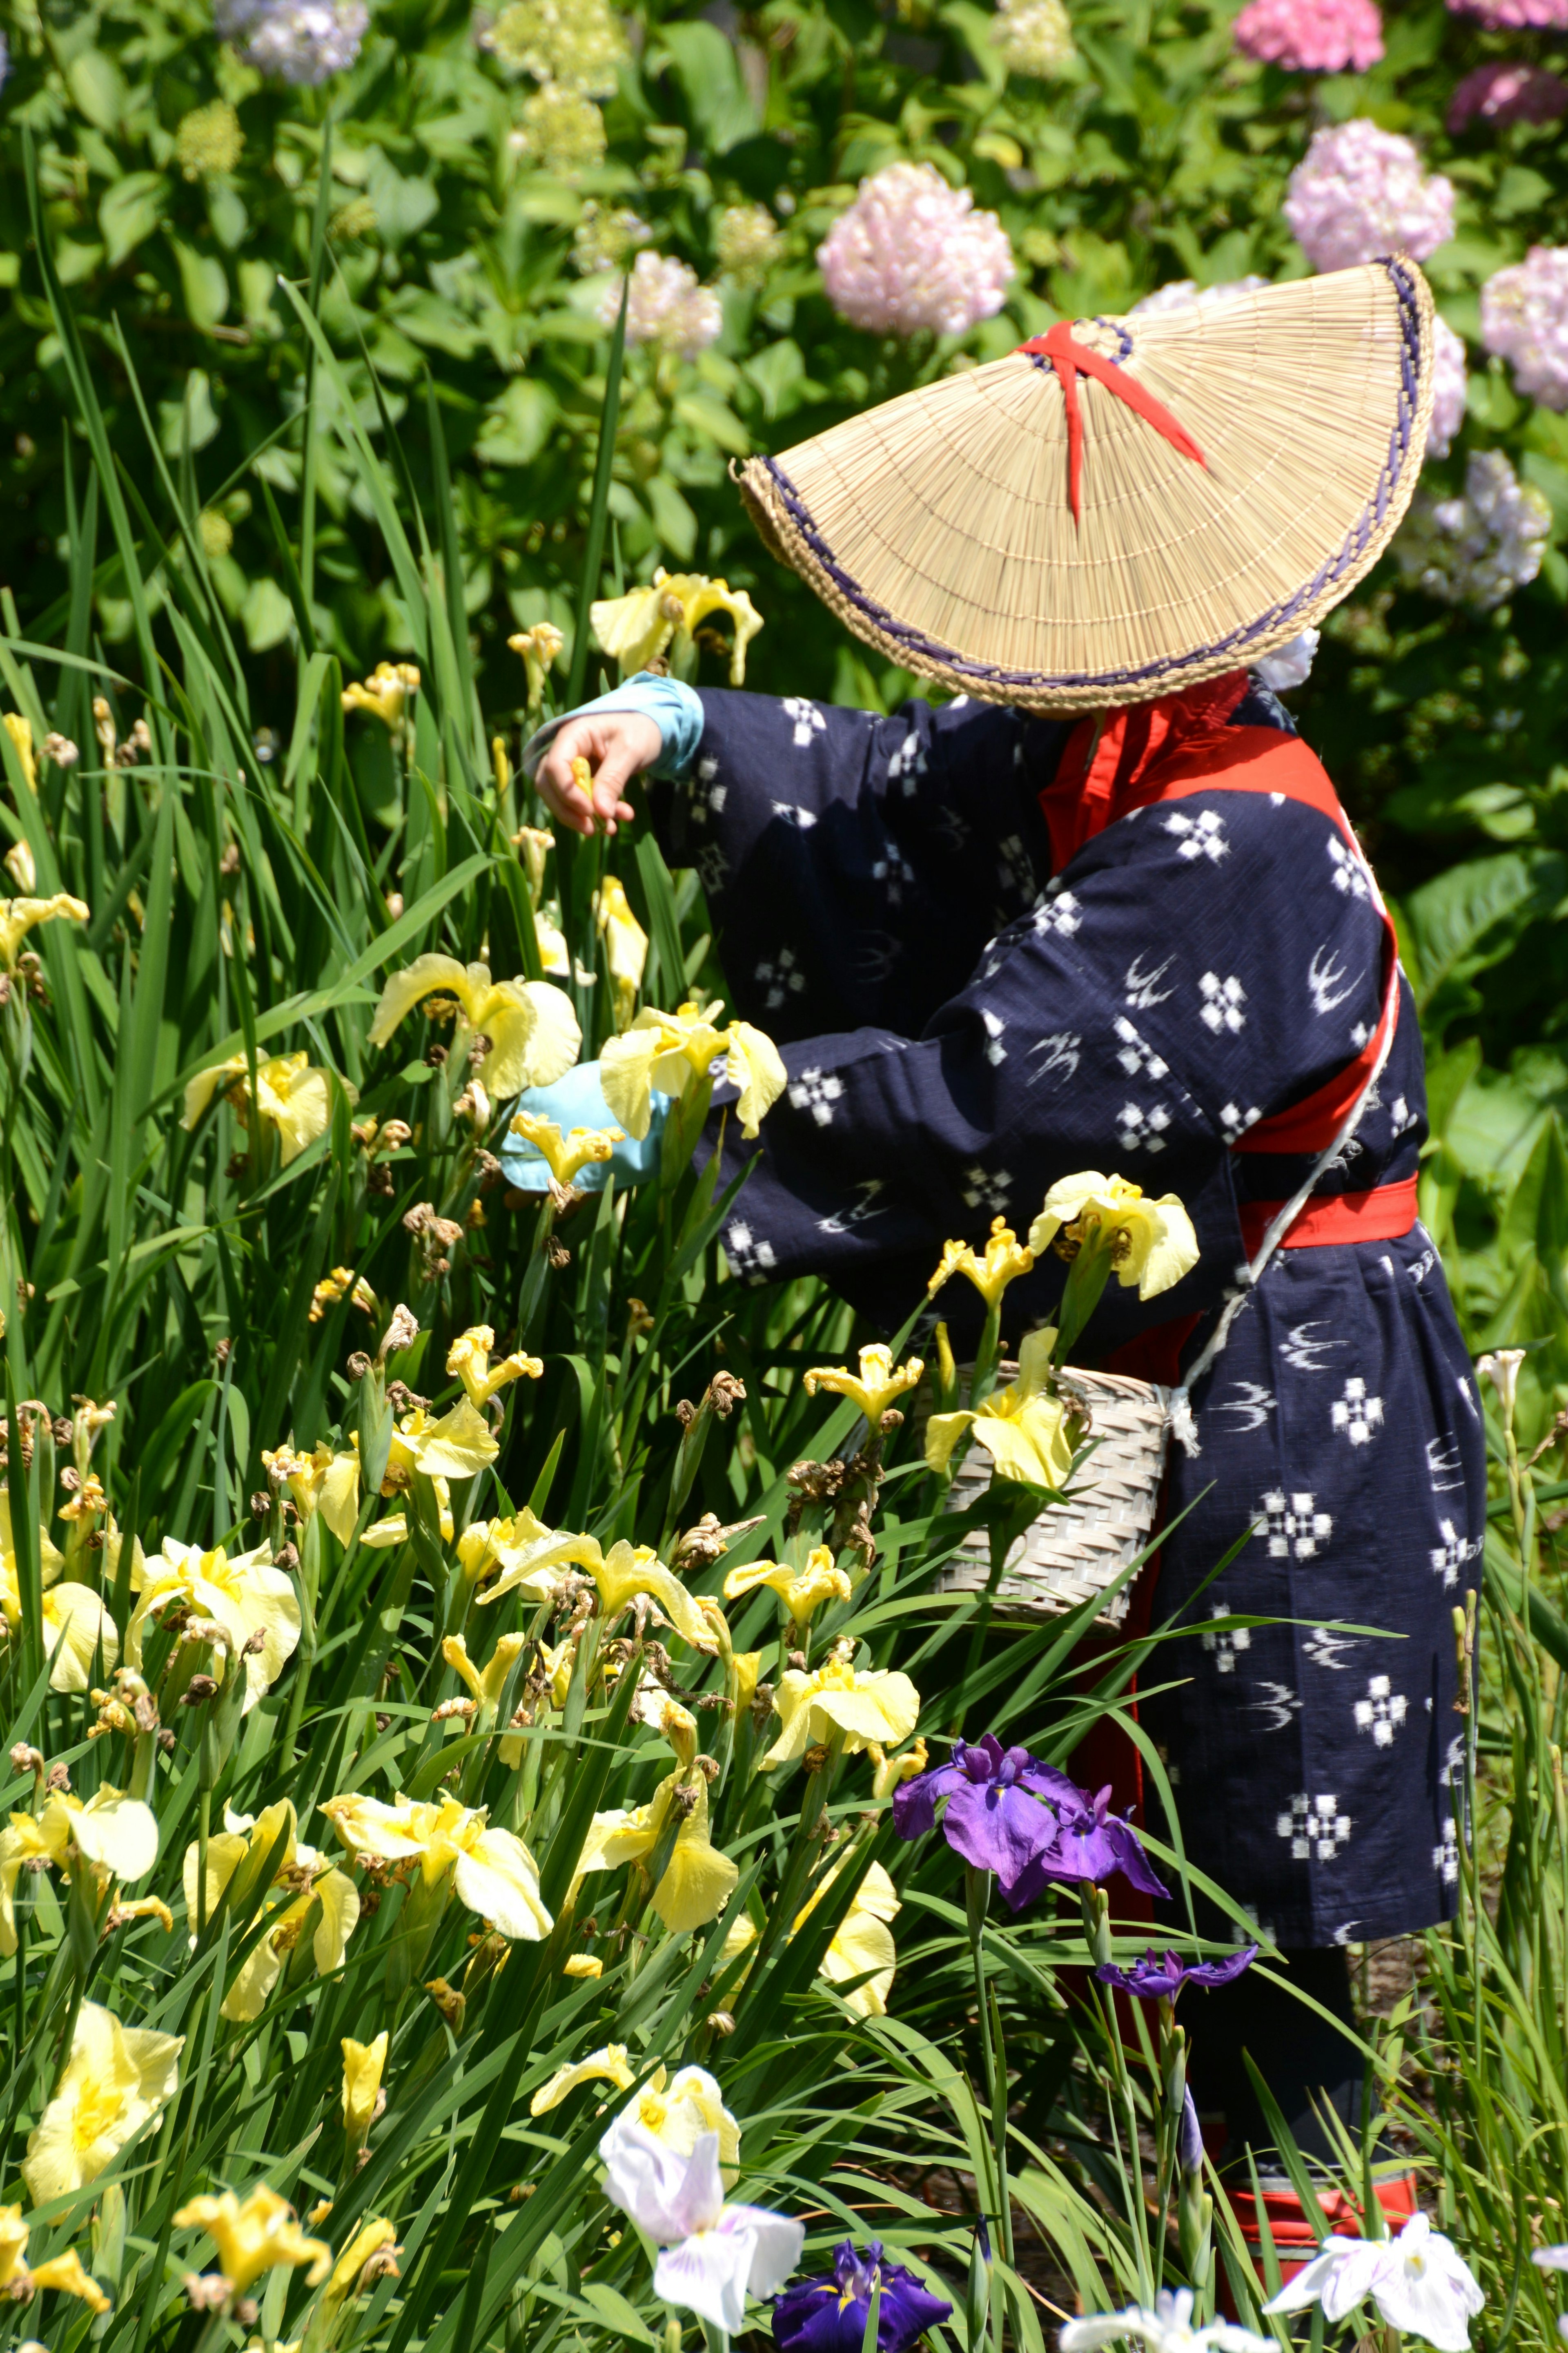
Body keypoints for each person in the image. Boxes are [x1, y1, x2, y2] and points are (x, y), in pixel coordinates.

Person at [523, 264, 1483, 2202]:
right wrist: (700, 734)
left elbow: (993, 1092)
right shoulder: (1092, 754)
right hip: (1209, 1349)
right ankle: (1138, 2180)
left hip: (1293, 1388)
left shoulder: (1241, 836)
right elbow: (889, 786)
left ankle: (1308, 2223)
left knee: (1274, 1805)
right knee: (1142, 1767)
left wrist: (692, 1107)